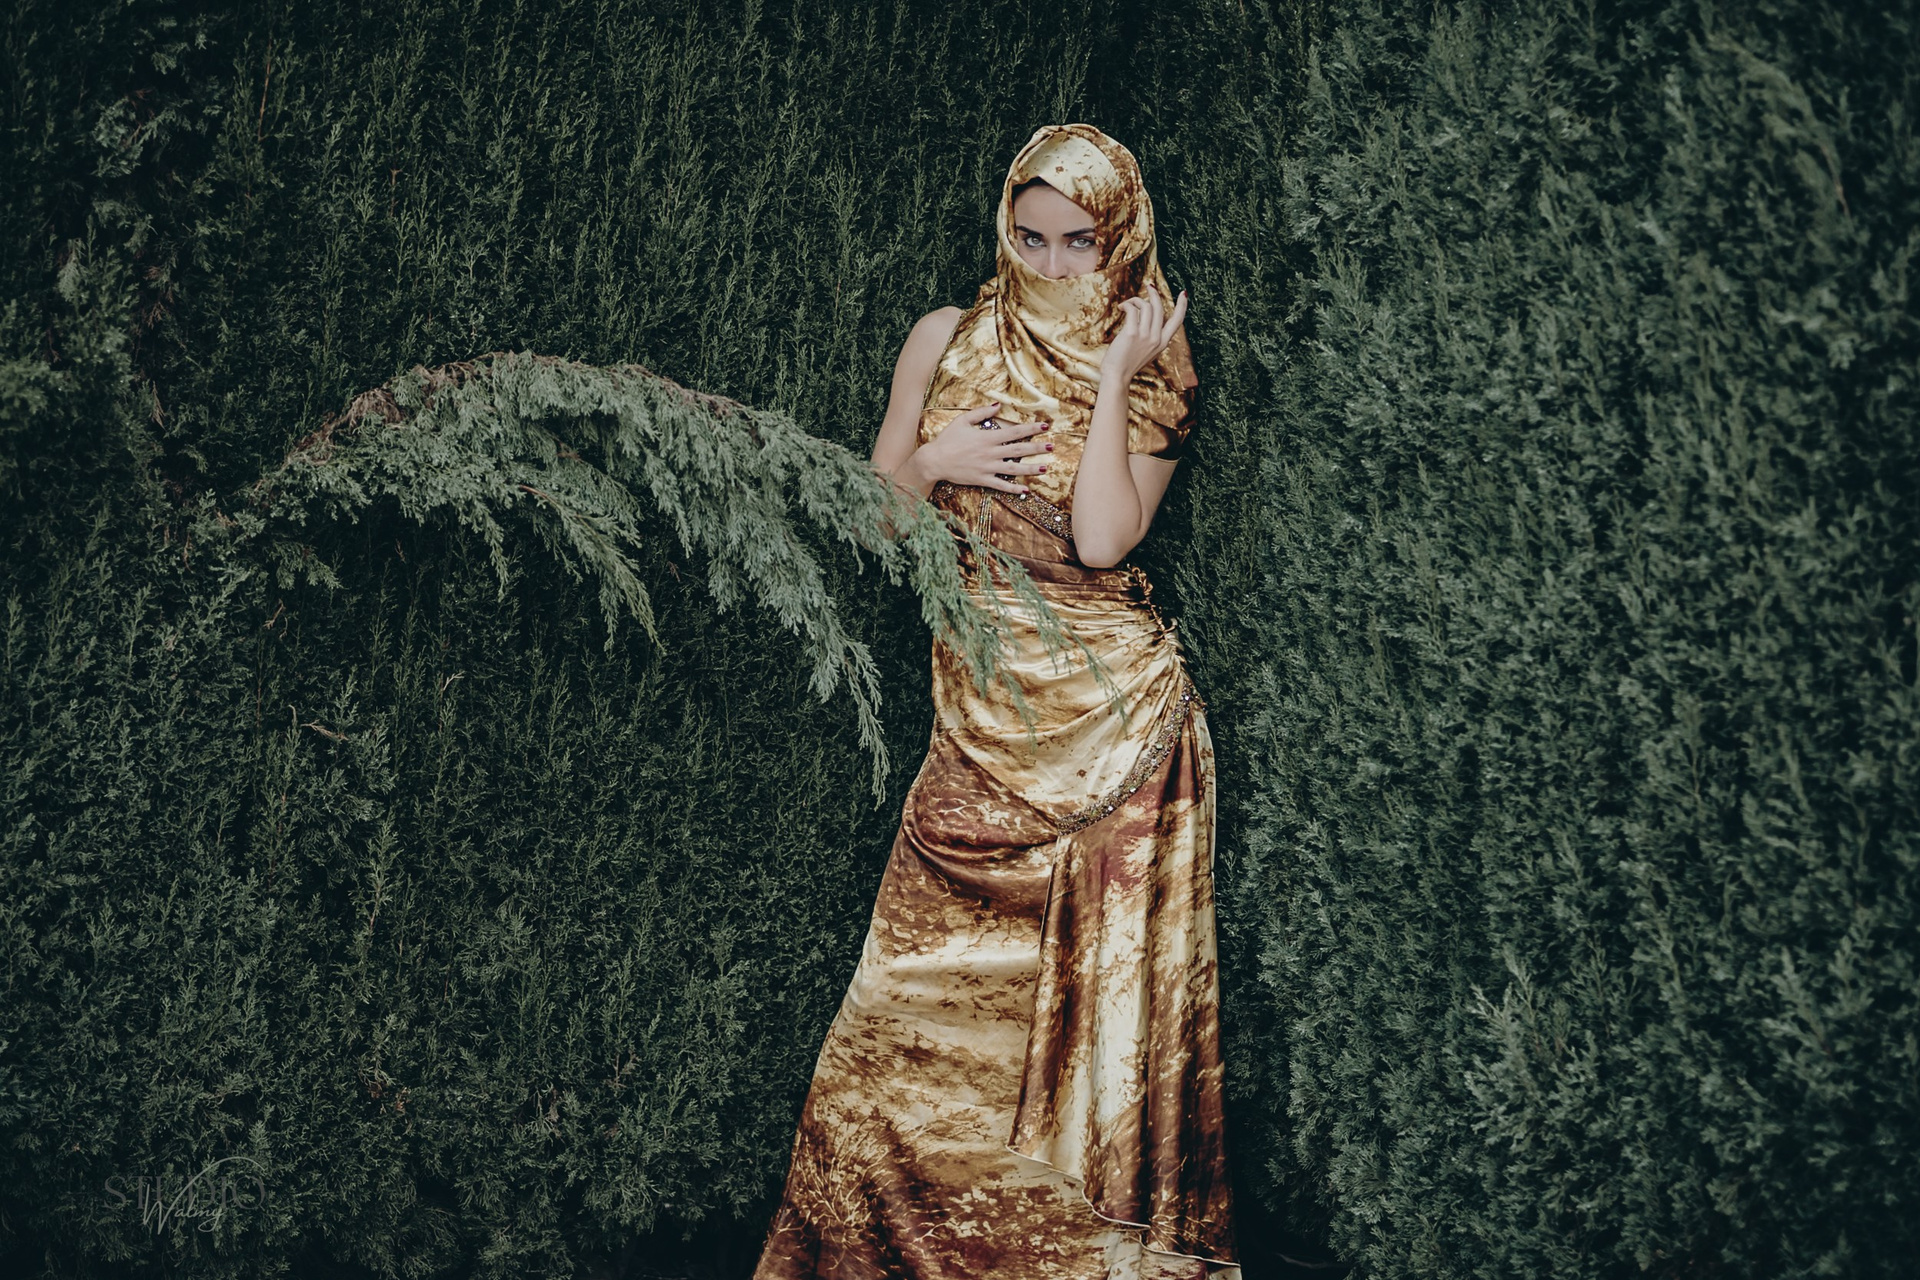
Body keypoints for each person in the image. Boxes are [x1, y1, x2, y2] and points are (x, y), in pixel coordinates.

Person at [752, 123, 1241, 1280]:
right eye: (1030, 236)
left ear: (1120, 239)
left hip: (1109, 745)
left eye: (1079, 241)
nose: (1052, 262)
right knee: (896, 1029)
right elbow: (877, 521)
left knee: (1083, 1057)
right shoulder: (945, 338)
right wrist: (935, 463)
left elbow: (1104, 537)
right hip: (974, 741)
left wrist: (1113, 376)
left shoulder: (1157, 364)